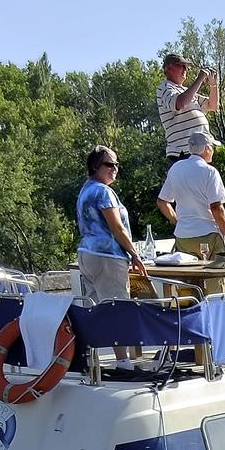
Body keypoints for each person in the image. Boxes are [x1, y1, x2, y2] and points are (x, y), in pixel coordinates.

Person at [76, 145, 148, 364]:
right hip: (108, 257)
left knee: (94, 309)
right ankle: (123, 363)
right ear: (96, 166)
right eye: (109, 164)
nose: (115, 168)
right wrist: (135, 254)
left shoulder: (86, 190)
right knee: (118, 309)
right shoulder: (103, 192)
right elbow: (117, 228)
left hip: (87, 255)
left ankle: (89, 361)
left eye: (117, 164)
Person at [156, 132, 225, 263]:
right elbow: (217, 208)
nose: (213, 151)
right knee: (215, 280)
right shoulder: (210, 171)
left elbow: (162, 202)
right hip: (209, 235)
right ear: (207, 148)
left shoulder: (176, 168)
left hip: (183, 237)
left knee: (187, 282)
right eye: (212, 147)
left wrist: (178, 221)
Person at [157, 52, 220, 164]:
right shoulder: (165, 87)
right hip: (183, 152)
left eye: (186, 66)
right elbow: (180, 102)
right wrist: (200, 78)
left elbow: (213, 106)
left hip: (201, 150)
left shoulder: (188, 92)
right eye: (181, 65)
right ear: (169, 68)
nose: (185, 69)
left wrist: (213, 85)